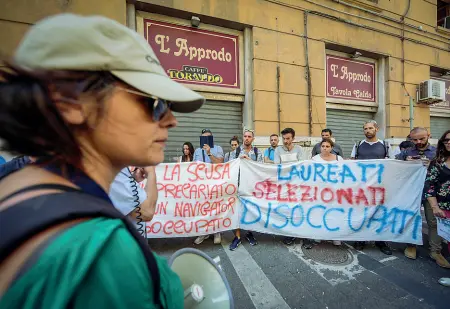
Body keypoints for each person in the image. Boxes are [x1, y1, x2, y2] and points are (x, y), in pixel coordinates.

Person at [0, 13, 205, 308]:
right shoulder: (105, 254)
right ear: (70, 104)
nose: (171, 121)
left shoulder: (16, 181)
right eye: (155, 104)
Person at [396, 127, 449, 267]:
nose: (418, 142)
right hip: (411, 192)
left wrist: (431, 164)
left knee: (433, 221)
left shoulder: (437, 152)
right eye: (415, 139)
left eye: (422, 138)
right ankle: (411, 245)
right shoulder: (406, 152)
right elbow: (394, 168)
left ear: (428, 136)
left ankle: (436, 251)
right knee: (410, 217)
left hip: (432, 193)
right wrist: (405, 163)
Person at [351, 120, 392, 255]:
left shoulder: (385, 145)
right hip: (362, 187)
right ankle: (361, 239)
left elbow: (392, 165)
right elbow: (352, 164)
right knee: (361, 213)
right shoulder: (358, 145)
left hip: (379, 187)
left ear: (376, 129)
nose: (367, 131)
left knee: (379, 214)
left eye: (370, 128)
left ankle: (380, 241)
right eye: (365, 129)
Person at [228, 129, 262, 250]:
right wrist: (238, 160)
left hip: (251, 186)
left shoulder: (258, 152)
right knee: (237, 211)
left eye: (249, 136)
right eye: (245, 136)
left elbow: (261, 168)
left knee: (249, 210)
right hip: (237, 186)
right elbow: (229, 167)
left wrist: (250, 162)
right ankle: (237, 237)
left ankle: (249, 233)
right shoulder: (236, 151)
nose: (247, 138)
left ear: (253, 139)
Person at [423, 130, 450, 283]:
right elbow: (430, 185)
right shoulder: (438, 162)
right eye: (446, 140)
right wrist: (435, 207)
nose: (449, 142)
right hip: (444, 207)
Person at [193, 128, 224, 245]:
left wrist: (209, 153)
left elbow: (220, 163)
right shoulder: (197, 151)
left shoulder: (218, 148)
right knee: (203, 208)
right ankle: (204, 232)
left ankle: (216, 231)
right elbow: (193, 167)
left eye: (208, 137)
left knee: (215, 207)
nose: (206, 139)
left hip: (215, 183)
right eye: (204, 137)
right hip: (202, 185)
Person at [312, 138, 344, 246]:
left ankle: (335, 237)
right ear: (320, 147)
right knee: (319, 212)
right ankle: (319, 236)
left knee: (334, 213)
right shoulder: (315, 159)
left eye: (327, 146)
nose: (325, 148)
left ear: (332, 148)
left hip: (335, 191)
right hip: (320, 191)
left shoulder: (338, 159)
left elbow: (343, 173)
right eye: (323, 146)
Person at [109, 166, 157, 237]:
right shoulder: (113, 171)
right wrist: (151, 173)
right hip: (124, 243)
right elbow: (146, 213)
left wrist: (133, 180)